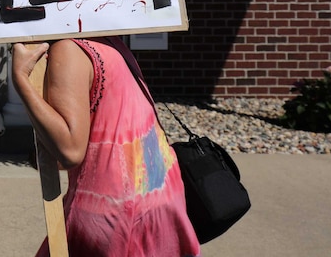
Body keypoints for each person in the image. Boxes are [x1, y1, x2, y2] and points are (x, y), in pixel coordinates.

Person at [11, 37, 200, 257]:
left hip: (112, 211)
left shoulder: (69, 49)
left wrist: (21, 80)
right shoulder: (112, 42)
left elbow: (70, 151)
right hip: (159, 196)